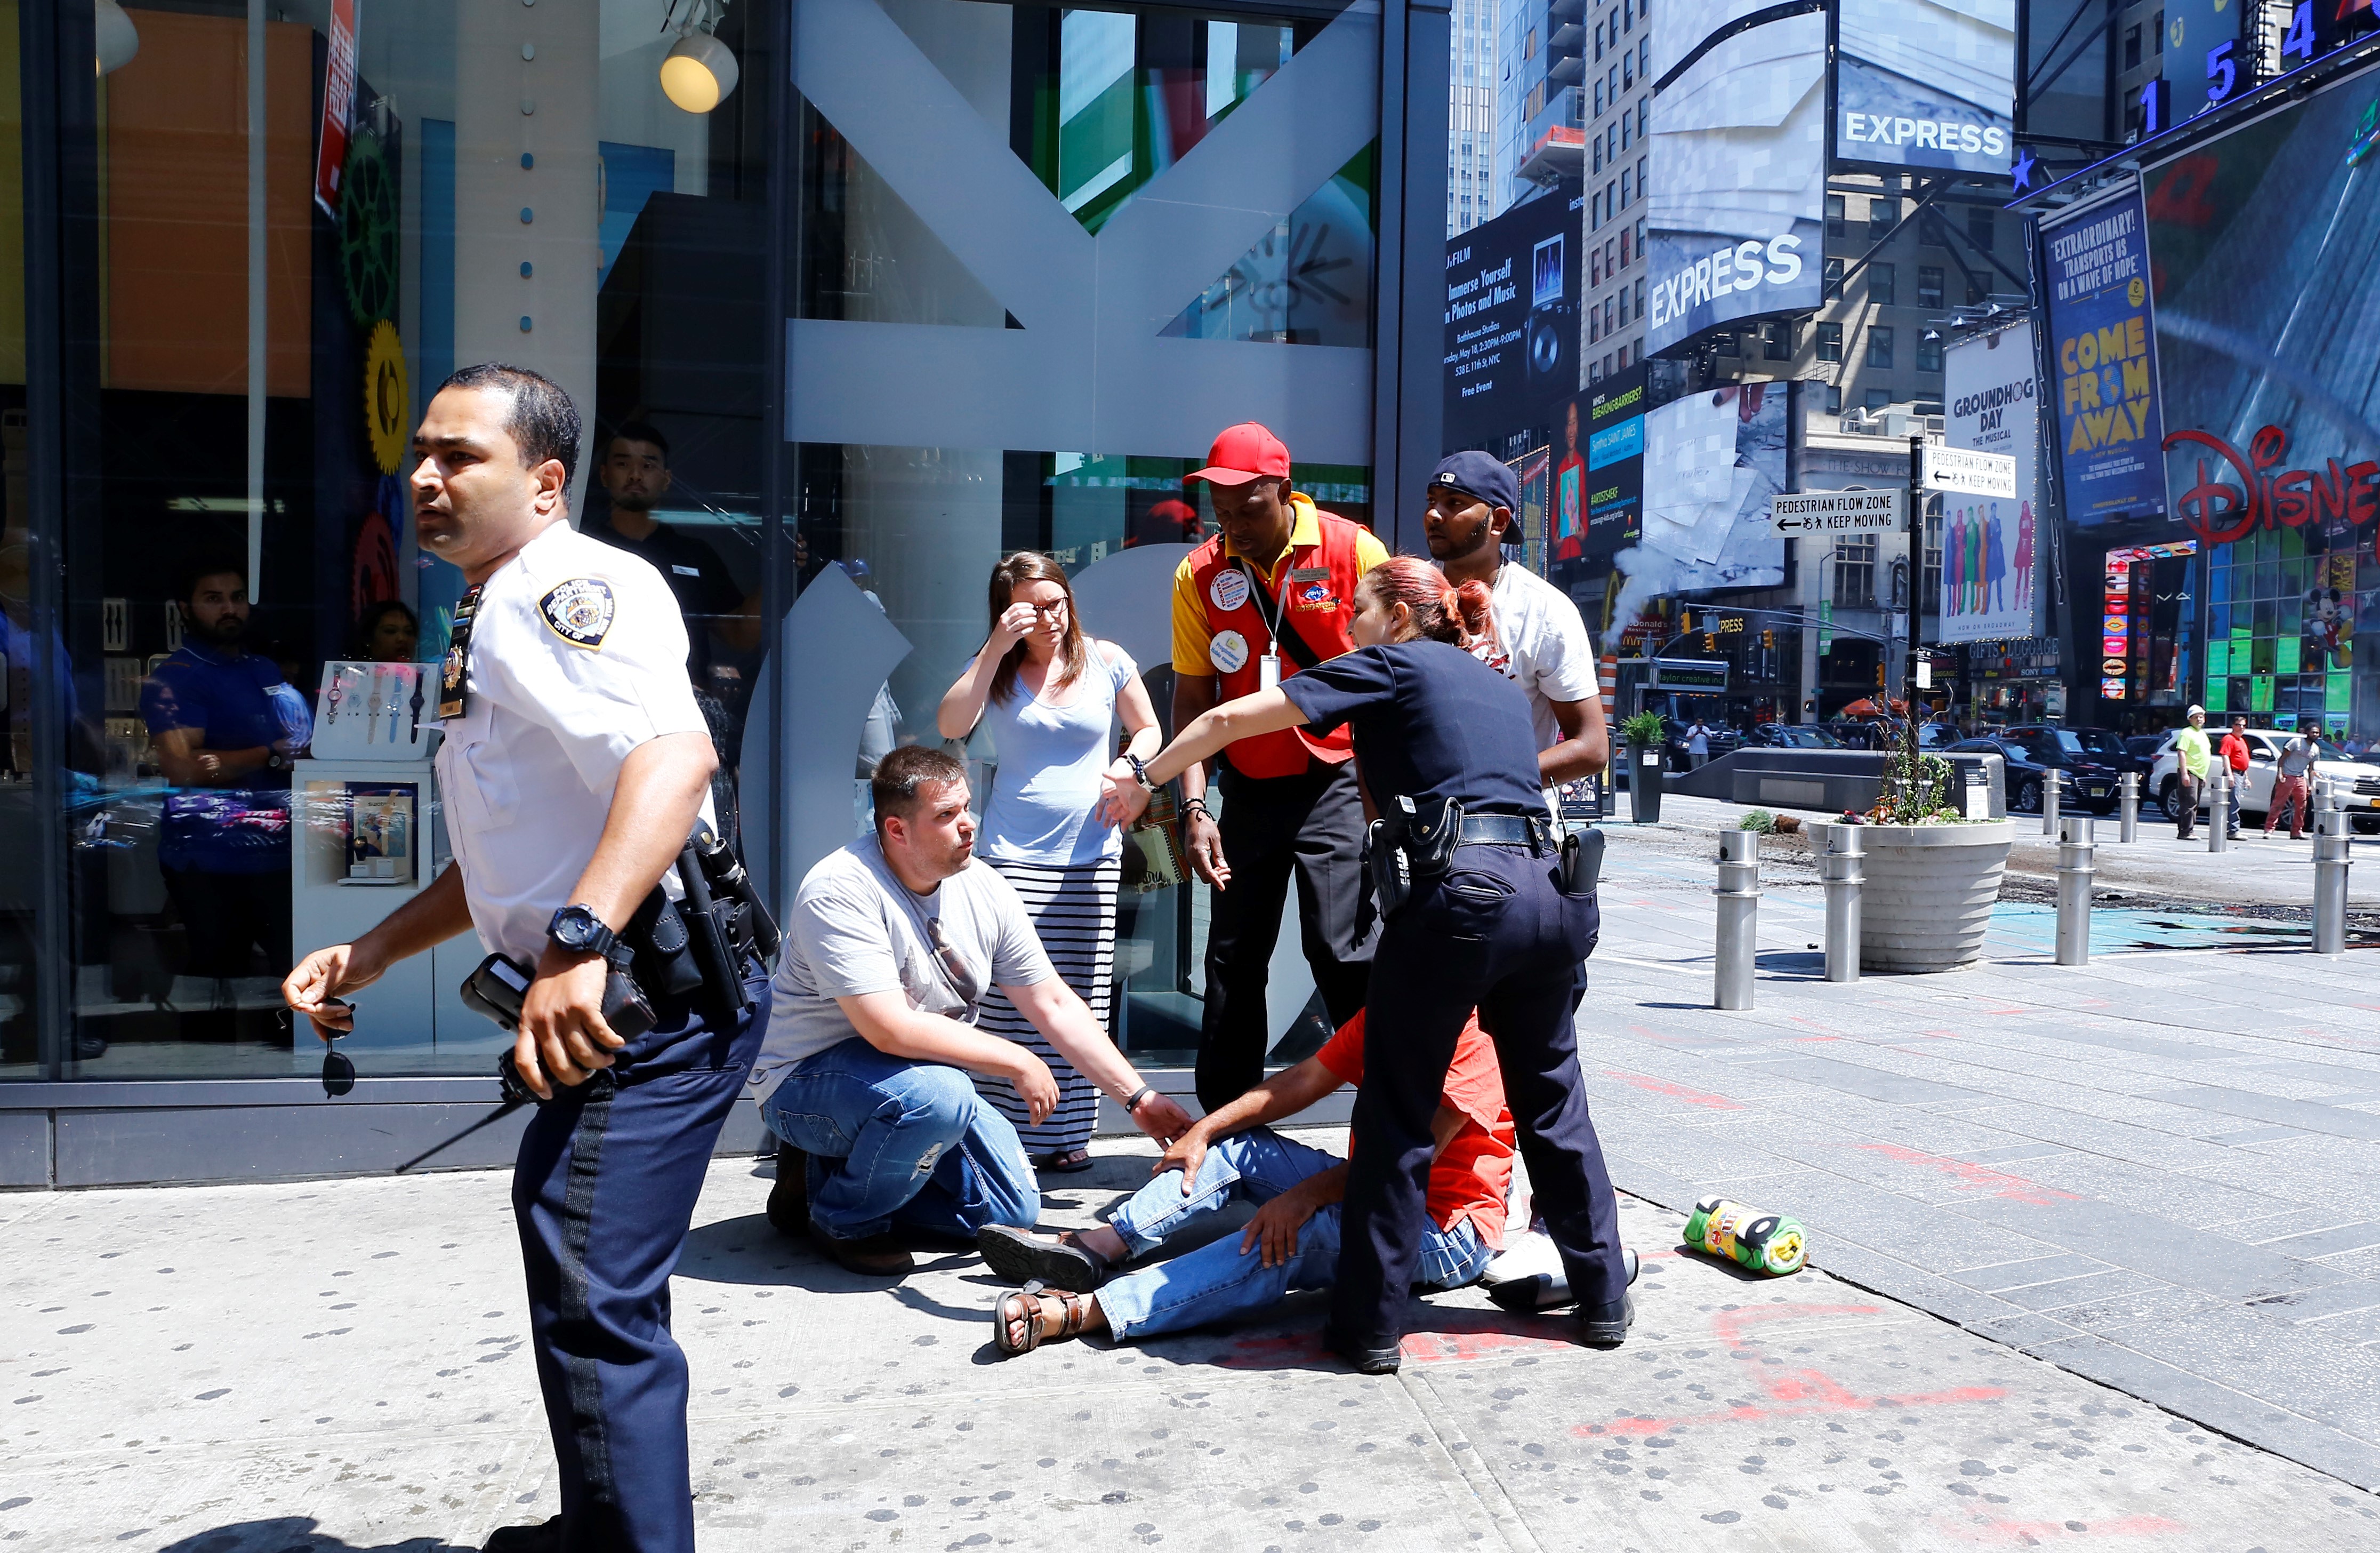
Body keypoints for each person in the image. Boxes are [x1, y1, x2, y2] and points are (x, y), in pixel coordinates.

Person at [282, 363, 766, 1553]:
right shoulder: (500, 603)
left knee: (594, 1288)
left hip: (648, 997)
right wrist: (377, 947)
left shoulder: (561, 589)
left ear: (547, 483)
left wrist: (579, 942)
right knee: (576, 1258)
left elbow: (673, 762)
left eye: (464, 457)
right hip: (623, 990)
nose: (430, 477)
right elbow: (515, 850)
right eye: (423, 457)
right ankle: (607, 1521)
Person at [1104, 556, 1631, 1373]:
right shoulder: (1492, 681)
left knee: (1394, 1116)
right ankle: (1604, 1302)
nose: (1346, 623)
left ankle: (1368, 1329)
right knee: (1555, 1106)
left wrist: (1145, 778)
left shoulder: (1387, 661)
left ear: (1396, 616)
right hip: (1554, 894)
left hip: (1467, 900)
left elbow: (1222, 724)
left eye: (1357, 608)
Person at [754, 745, 1193, 1276]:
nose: (968, 825)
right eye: (946, 815)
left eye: (967, 808)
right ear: (897, 830)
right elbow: (887, 1028)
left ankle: (822, 1180)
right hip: (806, 1081)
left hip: (913, 1083)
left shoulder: (983, 886)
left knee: (1011, 1210)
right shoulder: (841, 888)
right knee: (943, 1095)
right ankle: (844, 1218)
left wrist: (1138, 1096)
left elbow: (1052, 1000)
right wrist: (1015, 1058)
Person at [977, 1008, 1514, 1357]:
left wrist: (1301, 1197)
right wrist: (1205, 1129)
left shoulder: (1471, 1035)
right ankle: (1100, 1247)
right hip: (1379, 1191)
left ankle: (1091, 1309)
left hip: (1447, 1231)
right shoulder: (1392, 1008)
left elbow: (1400, 1162)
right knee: (1237, 1148)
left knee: (1293, 1231)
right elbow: (1303, 1078)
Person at [1169, 422, 1389, 1111]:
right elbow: (1192, 700)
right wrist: (1194, 808)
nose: (1233, 523)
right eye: (1221, 510)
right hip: (1251, 786)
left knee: (1341, 950)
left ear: (1286, 492)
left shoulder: (1353, 550)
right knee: (1232, 959)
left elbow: (1397, 673)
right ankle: (1224, 1132)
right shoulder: (1199, 574)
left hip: (1339, 777)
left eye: (1249, 507)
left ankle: (1386, 1114)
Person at [935, 553, 1162, 1172]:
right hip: (1011, 854)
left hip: (1091, 853)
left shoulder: (1107, 659)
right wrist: (995, 645)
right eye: (1032, 607)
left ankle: (1065, 1135)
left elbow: (1148, 729)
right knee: (1011, 999)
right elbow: (951, 721)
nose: (1049, 616)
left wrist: (1130, 767)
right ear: (1007, 611)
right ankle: (1003, 1132)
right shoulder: (998, 670)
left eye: (1056, 601)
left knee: (1080, 992)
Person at [141, 559, 296, 1004]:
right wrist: (270, 752)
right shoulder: (176, 677)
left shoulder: (265, 669)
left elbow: (295, 742)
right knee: (215, 982)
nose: (229, 608)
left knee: (291, 977)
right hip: (210, 861)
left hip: (277, 852)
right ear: (185, 609)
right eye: (213, 599)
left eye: (237, 597)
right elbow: (183, 768)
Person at [1422, 450, 1609, 806]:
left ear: (1499, 521)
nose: (1434, 514)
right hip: (1410, 824)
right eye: (1432, 501)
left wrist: (1488, 783)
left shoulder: (1545, 611)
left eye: (1454, 503)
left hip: (1510, 831)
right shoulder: (1405, 595)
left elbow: (1592, 748)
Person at [583, 421, 755, 692]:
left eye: (648, 465)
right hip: (601, 700)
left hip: (684, 705)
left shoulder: (694, 554)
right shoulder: (581, 549)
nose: (636, 475)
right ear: (604, 476)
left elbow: (738, 636)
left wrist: (779, 570)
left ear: (666, 479)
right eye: (623, 464)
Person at [2268, 727, 2315, 840]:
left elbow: (2311, 769)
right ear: (2307, 733)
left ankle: (2297, 831)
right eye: (2312, 732)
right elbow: (2282, 759)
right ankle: (2269, 829)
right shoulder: (2296, 742)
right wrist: (2280, 774)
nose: (2314, 734)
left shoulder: (2315, 749)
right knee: (2279, 803)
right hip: (2287, 775)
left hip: (2300, 777)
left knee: (2302, 805)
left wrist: (2311, 784)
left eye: (2317, 733)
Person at [2174, 706, 2210, 841]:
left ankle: (2190, 829)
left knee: (2195, 803)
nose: (2199, 719)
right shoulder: (2186, 733)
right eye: (2196, 717)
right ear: (2190, 719)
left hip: (2199, 774)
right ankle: (2185, 831)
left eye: (2201, 716)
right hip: (2190, 772)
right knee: (2189, 802)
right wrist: (2184, 773)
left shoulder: (2202, 734)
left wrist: (2203, 775)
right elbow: (2182, 752)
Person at [352, 598, 420, 663]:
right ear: (368, 638)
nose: (402, 639)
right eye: (390, 631)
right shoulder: (350, 674)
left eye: (409, 632)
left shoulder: (424, 674)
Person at [2220, 714, 2251, 838]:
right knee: (2234, 802)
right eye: (2239, 725)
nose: (2242, 728)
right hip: (2234, 773)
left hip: (2241, 774)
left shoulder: (2242, 741)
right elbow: (2225, 756)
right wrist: (2230, 775)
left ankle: (2233, 828)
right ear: (2233, 726)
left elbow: (2243, 761)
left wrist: (2247, 778)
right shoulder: (2229, 739)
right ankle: (2233, 830)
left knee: (2236, 801)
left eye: (2244, 725)